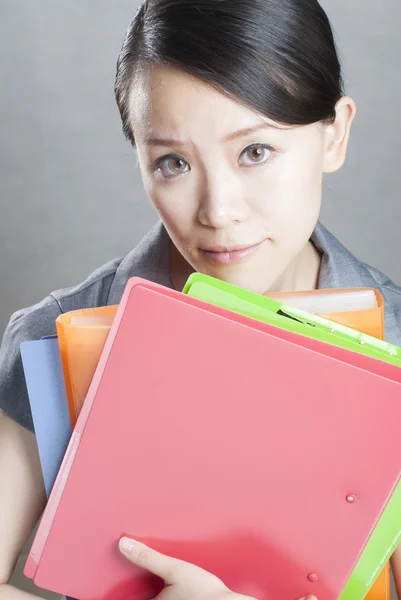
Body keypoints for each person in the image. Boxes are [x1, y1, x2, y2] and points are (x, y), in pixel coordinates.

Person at [1, 1, 401, 599]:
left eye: (255, 152)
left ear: (334, 134)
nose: (218, 211)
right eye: (173, 163)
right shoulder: (53, 338)